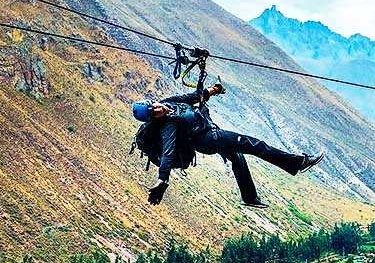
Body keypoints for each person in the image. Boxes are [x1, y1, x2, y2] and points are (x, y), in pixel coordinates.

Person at [132, 82, 323, 207]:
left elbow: (191, 96)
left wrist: (213, 90)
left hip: (210, 131)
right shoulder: (167, 125)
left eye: (154, 105)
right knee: (254, 145)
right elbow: (168, 152)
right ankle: (299, 163)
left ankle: (249, 198)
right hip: (208, 139)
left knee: (237, 157)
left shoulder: (168, 102)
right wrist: (162, 180)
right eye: (154, 112)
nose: (158, 109)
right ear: (152, 118)